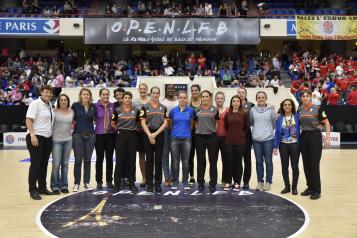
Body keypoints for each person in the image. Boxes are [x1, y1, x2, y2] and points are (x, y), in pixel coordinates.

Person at [299, 90, 330, 200]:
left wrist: (327, 138)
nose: (305, 98)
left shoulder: (317, 108)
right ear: (301, 98)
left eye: (307, 96)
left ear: (311, 97)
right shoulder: (300, 109)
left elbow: (326, 122)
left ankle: (317, 190)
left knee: (314, 164)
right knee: (306, 164)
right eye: (303, 96)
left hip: (315, 136)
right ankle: (310, 187)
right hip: (304, 136)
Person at [25, 85, 55, 200]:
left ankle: (42, 187)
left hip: (47, 138)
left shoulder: (49, 105)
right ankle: (33, 190)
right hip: (36, 136)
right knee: (35, 164)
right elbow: (28, 119)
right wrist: (32, 134)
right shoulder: (35, 103)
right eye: (46, 92)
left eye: (50, 93)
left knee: (44, 164)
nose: (48, 94)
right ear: (41, 92)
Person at [141, 87, 168, 192]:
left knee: (158, 160)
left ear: (159, 94)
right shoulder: (145, 107)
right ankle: (149, 184)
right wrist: (150, 135)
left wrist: (155, 135)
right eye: (154, 93)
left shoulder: (164, 108)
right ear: (150, 94)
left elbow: (165, 123)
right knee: (149, 160)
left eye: (157, 93)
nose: (155, 95)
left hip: (159, 134)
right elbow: (142, 122)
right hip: (147, 134)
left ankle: (158, 184)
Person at [112, 91, 140, 191]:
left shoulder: (136, 110)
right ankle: (117, 184)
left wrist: (133, 129)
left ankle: (132, 183)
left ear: (131, 99)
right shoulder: (117, 110)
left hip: (132, 136)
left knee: (132, 160)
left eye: (129, 97)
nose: (127, 99)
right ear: (122, 99)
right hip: (121, 135)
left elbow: (139, 123)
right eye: (126, 97)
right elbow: (113, 123)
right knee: (119, 160)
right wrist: (121, 129)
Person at [250, 91, 276, 191]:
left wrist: (267, 131)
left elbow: (274, 123)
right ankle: (260, 181)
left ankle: (268, 181)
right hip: (256, 140)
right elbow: (252, 122)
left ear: (266, 98)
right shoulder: (252, 110)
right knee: (259, 161)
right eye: (259, 97)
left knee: (268, 161)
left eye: (263, 97)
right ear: (256, 99)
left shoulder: (271, 110)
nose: (261, 99)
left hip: (268, 139)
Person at [71, 88, 96, 192]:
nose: (86, 96)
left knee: (87, 160)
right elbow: (71, 118)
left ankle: (86, 182)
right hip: (78, 135)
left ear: (90, 96)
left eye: (88, 94)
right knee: (77, 160)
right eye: (84, 94)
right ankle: (76, 183)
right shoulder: (75, 105)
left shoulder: (93, 106)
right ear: (80, 96)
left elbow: (95, 119)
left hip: (90, 135)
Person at [273, 99, 300, 195]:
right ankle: (287, 186)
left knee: (295, 166)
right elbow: (277, 132)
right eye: (285, 105)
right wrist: (275, 146)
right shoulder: (279, 118)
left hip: (295, 144)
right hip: (283, 145)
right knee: (284, 167)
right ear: (282, 107)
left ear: (292, 106)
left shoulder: (297, 116)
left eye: (289, 104)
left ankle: (294, 187)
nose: (287, 106)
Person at [194, 90, 219, 192]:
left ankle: (213, 183)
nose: (205, 98)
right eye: (203, 96)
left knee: (213, 162)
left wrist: (212, 131)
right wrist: (199, 130)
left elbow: (216, 123)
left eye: (206, 96)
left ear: (210, 97)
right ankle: (200, 183)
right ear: (201, 98)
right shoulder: (197, 110)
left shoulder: (214, 109)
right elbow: (195, 123)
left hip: (212, 137)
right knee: (201, 162)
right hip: (200, 137)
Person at [170, 91, 195, 190]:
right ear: (178, 98)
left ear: (187, 99)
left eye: (184, 97)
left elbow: (192, 124)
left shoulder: (191, 111)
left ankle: (185, 181)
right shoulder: (172, 111)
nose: (182, 99)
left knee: (185, 161)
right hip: (174, 138)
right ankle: (175, 181)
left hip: (186, 138)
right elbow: (170, 124)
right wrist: (175, 132)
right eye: (180, 97)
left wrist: (186, 132)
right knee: (175, 161)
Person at [224, 96, 250, 191]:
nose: (235, 103)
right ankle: (228, 182)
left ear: (240, 103)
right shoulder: (227, 114)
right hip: (229, 142)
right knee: (229, 162)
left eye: (237, 101)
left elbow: (246, 128)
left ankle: (237, 182)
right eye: (234, 101)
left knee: (238, 163)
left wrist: (240, 135)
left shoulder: (244, 114)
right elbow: (226, 127)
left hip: (240, 142)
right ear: (231, 103)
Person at [51, 94, 73, 195]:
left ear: (68, 101)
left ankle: (64, 185)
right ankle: (55, 186)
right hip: (56, 140)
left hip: (68, 140)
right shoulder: (54, 111)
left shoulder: (71, 112)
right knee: (56, 165)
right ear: (58, 102)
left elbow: (73, 123)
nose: (63, 102)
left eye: (65, 100)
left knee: (65, 164)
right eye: (61, 100)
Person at [95, 88, 116, 189]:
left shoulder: (112, 106)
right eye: (103, 94)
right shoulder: (95, 106)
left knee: (109, 159)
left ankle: (109, 180)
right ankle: (99, 181)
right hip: (99, 135)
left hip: (110, 135)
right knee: (99, 159)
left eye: (107, 94)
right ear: (100, 95)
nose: (105, 96)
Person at [133, 83, 150, 187]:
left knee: (151, 155)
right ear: (139, 90)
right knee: (141, 155)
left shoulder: (151, 100)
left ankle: (150, 175)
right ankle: (144, 177)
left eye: (144, 88)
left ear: (147, 90)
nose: (142, 90)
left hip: (150, 130)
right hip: (139, 131)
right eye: (141, 89)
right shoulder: (135, 101)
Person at [161, 84, 179, 187]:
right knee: (164, 154)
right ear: (166, 90)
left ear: (174, 89)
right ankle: (167, 177)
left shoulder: (177, 101)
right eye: (169, 89)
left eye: (172, 88)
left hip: (176, 130)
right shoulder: (163, 102)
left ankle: (173, 177)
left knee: (174, 155)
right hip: (165, 130)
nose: (171, 90)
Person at [237, 87, 254, 189]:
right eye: (239, 92)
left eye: (243, 92)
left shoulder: (251, 105)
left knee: (247, 160)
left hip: (247, 136)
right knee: (237, 160)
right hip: (236, 136)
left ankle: (246, 181)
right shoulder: (233, 104)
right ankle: (237, 181)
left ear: (246, 94)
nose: (241, 94)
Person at [113, 87, 129, 186]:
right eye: (117, 94)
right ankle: (119, 178)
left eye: (120, 94)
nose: (119, 96)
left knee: (127, 157)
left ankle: (126, 177)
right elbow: (113, 122)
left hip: (128, 135)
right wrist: (119, 130)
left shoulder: (129, 106)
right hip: (117, 135)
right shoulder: (113, 106)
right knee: (119, 157)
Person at [188, 84, 201, 187]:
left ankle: (200, 177)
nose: (194, 92)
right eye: (192, 90)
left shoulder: (204, 103)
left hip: (201, 134)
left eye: (196, 90)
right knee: (190, 157)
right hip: (191, 134)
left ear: (199, 91)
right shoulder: (188, 104)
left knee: (200, 157)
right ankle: (191, 177)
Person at [215, 92, 228, 188]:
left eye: (221, 98)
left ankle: (225, 180)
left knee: (226, 161)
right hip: (214, 138)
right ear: (215, 99)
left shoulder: (228, 110)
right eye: (218, 98)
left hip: (225, 138)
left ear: (224, 99)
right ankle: (213, 180)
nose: (220, 100)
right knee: (213, 161)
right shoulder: (212, 110)